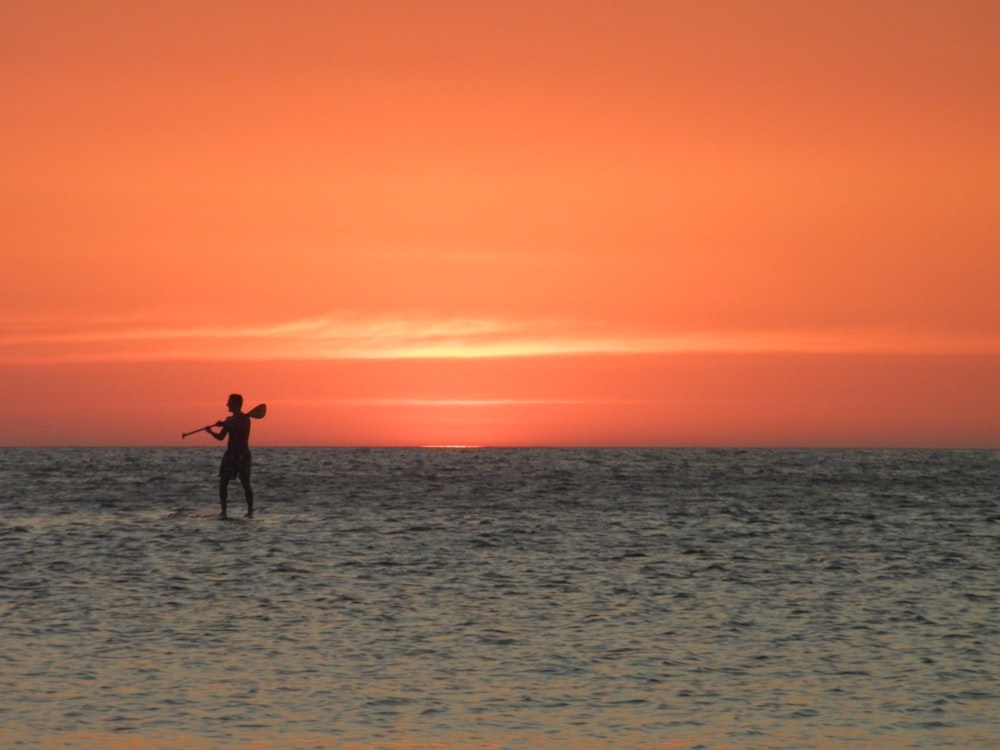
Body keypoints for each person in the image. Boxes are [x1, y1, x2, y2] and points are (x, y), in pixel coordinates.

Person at [207, 393, 254, 519]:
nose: (227, 404)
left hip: (242, 454)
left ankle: (250, 512)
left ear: (236, 404)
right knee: (223, 482)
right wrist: (211, 431)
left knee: (245, 482)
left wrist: (226, 425)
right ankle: (224, 511)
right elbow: (221, 437)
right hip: (230, 454)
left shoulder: (245, 419)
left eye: (229, 402)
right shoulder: (229, 419)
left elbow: (241, 431)